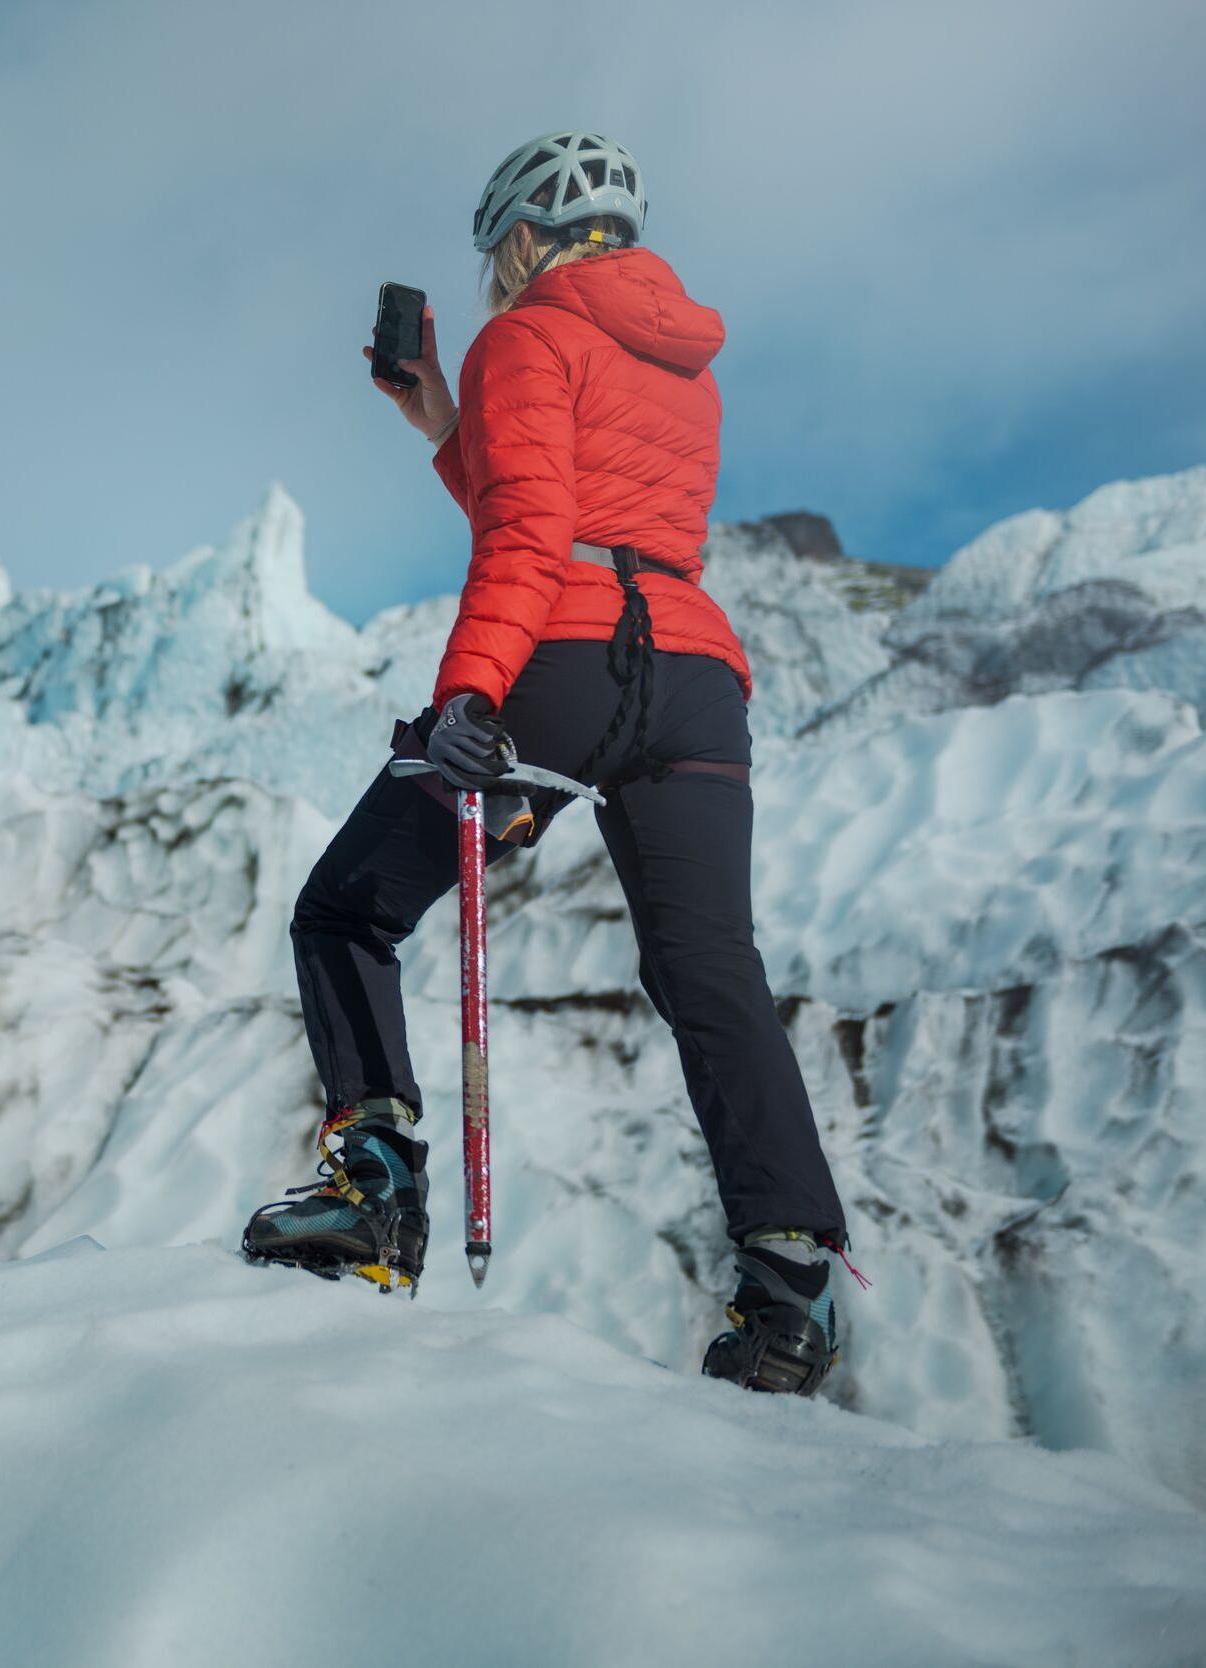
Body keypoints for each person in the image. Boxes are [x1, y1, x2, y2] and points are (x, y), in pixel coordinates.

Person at [242, 131, 859, 1396]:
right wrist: (440, 423)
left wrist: (467, 692)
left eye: (492, 254)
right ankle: (789, 1290)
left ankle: (373, 1198)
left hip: (563, 665)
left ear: (522, 238)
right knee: (708, 971)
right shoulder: (684, 365)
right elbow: (591, 515)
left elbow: (532, 534)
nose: (486, 279)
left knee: (344, 910)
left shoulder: (524, 333)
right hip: (693, 681)